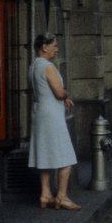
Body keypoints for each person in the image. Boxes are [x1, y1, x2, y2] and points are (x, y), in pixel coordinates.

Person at [28, 33, 81, 211]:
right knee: (66, 156)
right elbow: (58, 92)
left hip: (39, 114)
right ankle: (62, 196)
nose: (57, 49)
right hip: (52, 116)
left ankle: (45, 194)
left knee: (44, 154)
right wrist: (66, 95)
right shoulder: (48, 67)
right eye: (55, 46)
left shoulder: (33, 65)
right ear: (44, 47)